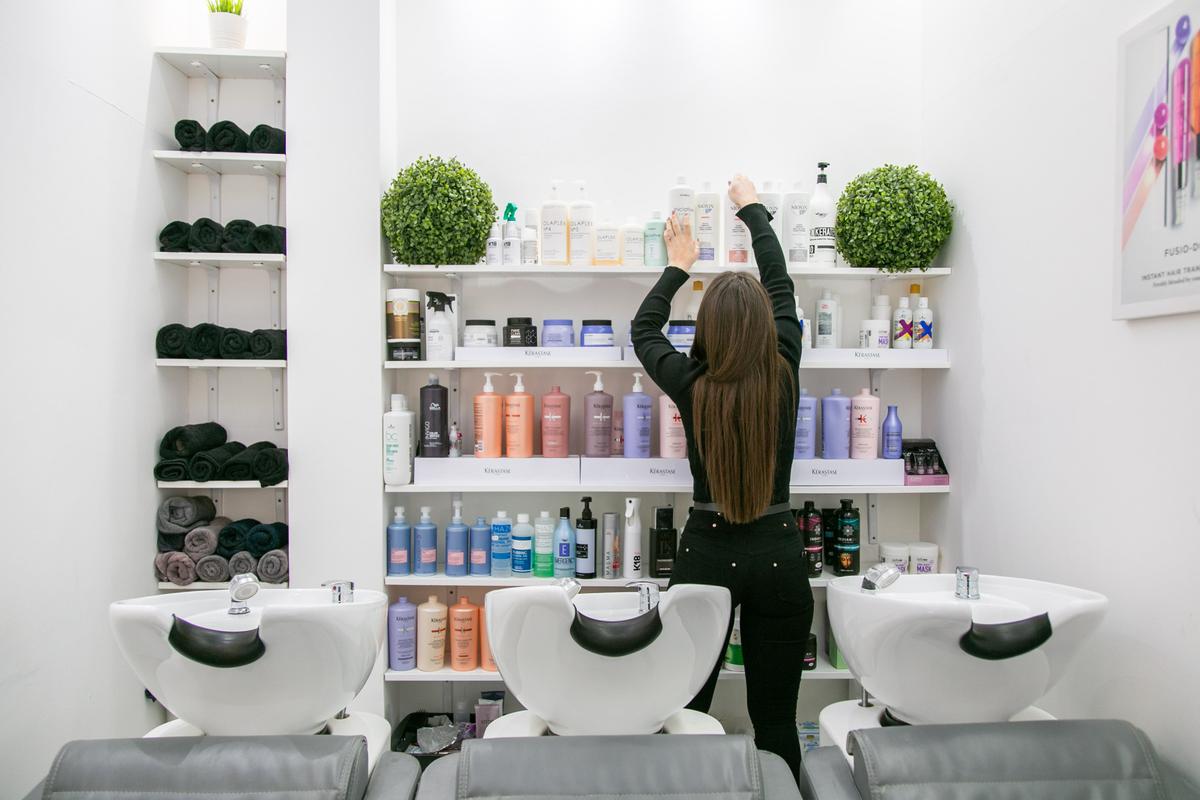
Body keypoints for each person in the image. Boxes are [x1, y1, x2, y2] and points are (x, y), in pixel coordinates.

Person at [631, 175, 813, 778]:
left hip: (705, 553)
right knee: (777, 722)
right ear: (765, 327)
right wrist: (753, 210)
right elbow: (781, 286)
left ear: (706, 329)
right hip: (779, 552)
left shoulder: (692, 384)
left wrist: (678, 266)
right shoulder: (785, 369)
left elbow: (644, 330)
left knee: (686, 715)